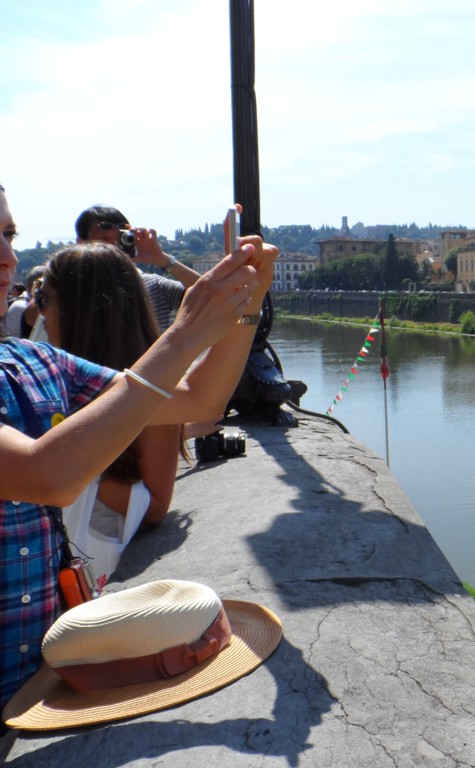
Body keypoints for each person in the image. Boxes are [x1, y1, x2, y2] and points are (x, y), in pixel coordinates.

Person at [0, 183, 277, 711]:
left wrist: (247, 304)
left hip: (50, 682)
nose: (10, 257)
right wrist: (184, 334)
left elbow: (201, 397)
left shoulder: (35, 362)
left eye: (9, 234)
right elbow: (49, 478)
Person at [37, 244, 183, 528]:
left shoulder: (147, 389)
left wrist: (53, 469)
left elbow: (155, 506)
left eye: (42, 298)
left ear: (76, 310)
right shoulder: (41, 371)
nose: (38, 311)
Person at [75, 205, 201, 331]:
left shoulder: (153, 285)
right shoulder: (69, 290)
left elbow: (211, 295)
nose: (114, 246)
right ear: (81, 243)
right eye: (104, 239)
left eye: (120, 238)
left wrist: (163, 260)